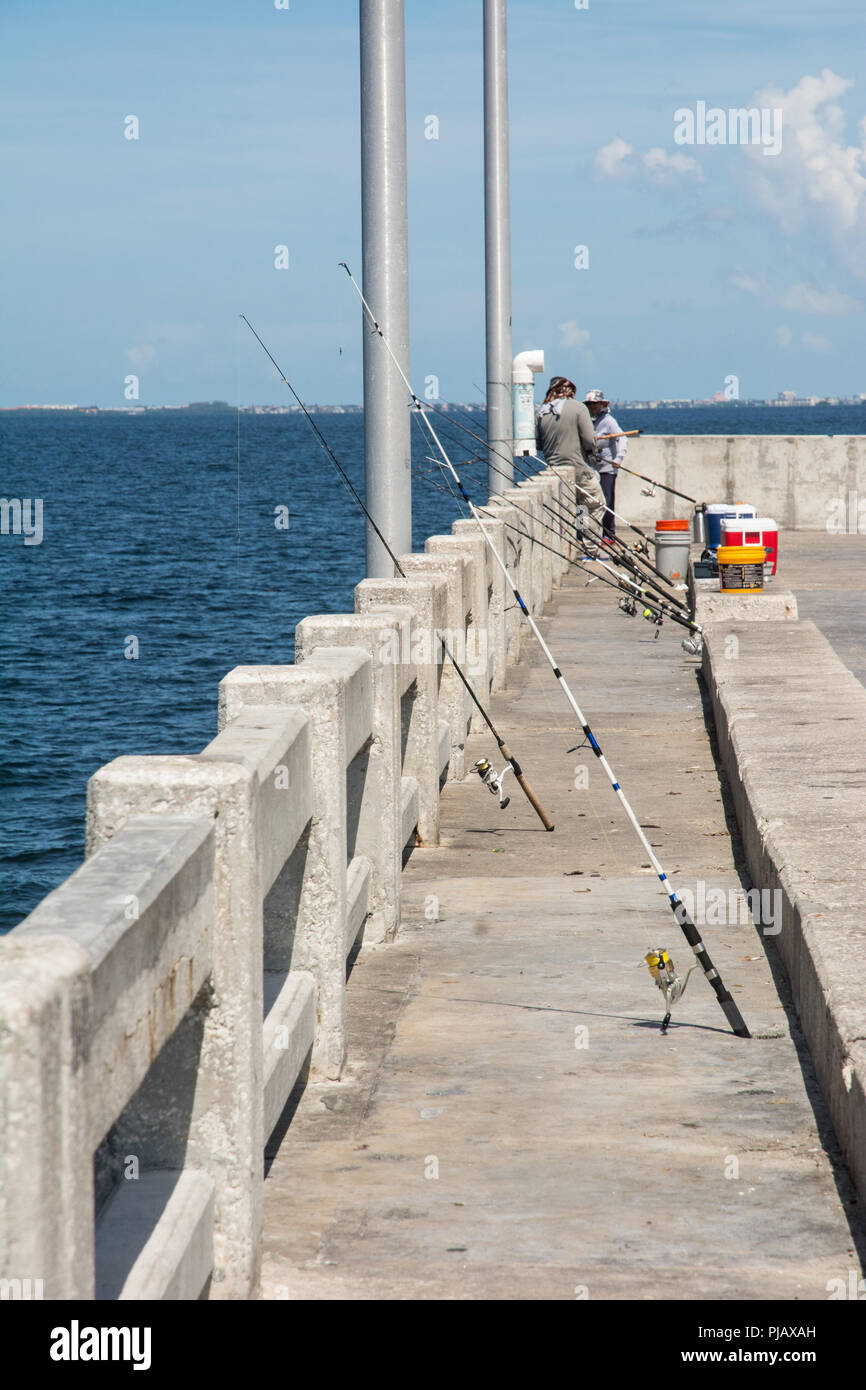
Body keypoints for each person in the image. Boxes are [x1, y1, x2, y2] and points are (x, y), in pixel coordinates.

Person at [535, 376, 606, 552]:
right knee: (597, 504)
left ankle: (580, 541)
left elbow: (538, 444)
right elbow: (589, 440)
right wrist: (591, 450)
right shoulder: (579, 408)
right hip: (579, 469)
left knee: (580, 507)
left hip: (554, 470)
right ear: (571, 391)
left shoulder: (542, 411)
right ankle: (591, 547)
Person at [584, 388, 627, 543]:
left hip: (607, 469)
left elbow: (622, 438)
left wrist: (619, 458)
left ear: (602, 404)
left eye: (595, 404)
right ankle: (582, 533)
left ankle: (608, 534)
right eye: (589, 404)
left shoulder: (609, 421)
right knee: (584, 501)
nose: (592, 407)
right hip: (589, 468)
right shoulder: (586, 420)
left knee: (606, 502)